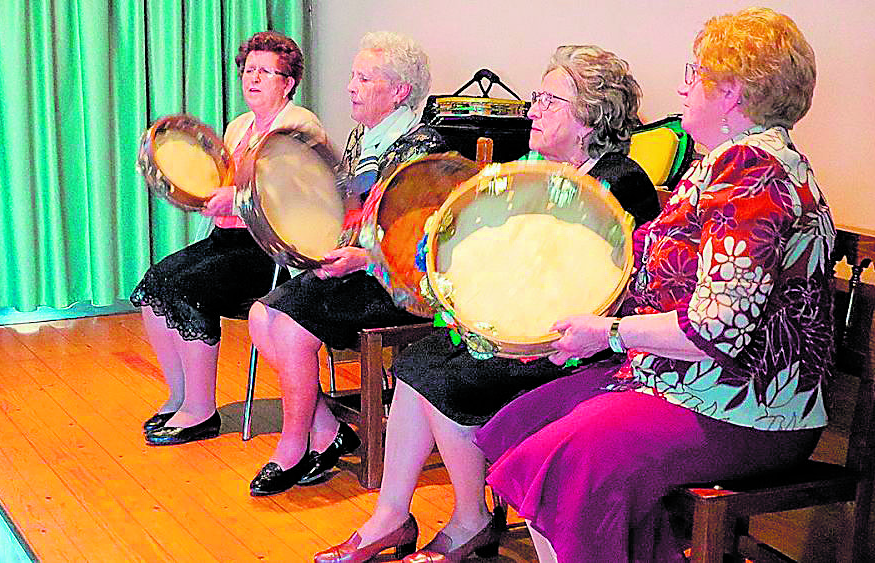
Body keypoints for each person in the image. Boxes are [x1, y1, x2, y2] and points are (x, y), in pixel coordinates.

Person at [473, 8, 833, 562]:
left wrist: (606, 333)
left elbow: (715, 327)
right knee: (523, 425)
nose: (682, 87)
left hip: (745, 408)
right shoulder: (719, 162)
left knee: (565, 459)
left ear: (732, 91)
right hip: (687, 384)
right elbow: (650, 272)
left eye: (694, 74)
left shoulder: (754, 170)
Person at [314, 46, 659, 563]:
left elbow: (606, 288)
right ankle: (390, 518)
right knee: (418, 362)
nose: (532, 110)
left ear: (591, 114)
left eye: (549, 100)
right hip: (523, 325)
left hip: (580, 342)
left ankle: (470, 520)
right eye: (536, 97)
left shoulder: (619, 181)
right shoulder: (537, 169)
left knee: (449, 379)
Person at [245, 31, 447, 496]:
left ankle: (293, 447)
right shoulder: (363, 136)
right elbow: (346, 205)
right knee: (261, 316)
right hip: (353, 270)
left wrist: (361, 256)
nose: (350, 86)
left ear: (398, 91)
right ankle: (327, 430)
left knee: (292, 327)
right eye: (352, 76)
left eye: (364, 77)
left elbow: (420, 244)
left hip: (393, 283)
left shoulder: (423, 148)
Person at [132, 31, 326, 446]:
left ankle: (201, 411)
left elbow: (289, 192)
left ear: (287, 82)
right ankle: (179, 396)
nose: (252, 78)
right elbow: (220, 180)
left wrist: (234, 201)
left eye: (264, 71)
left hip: (271, 253)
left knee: (187, 290)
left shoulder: (300, 124)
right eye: (248, 69)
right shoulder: (239, 126)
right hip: (228, 242)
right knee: (153, 288)